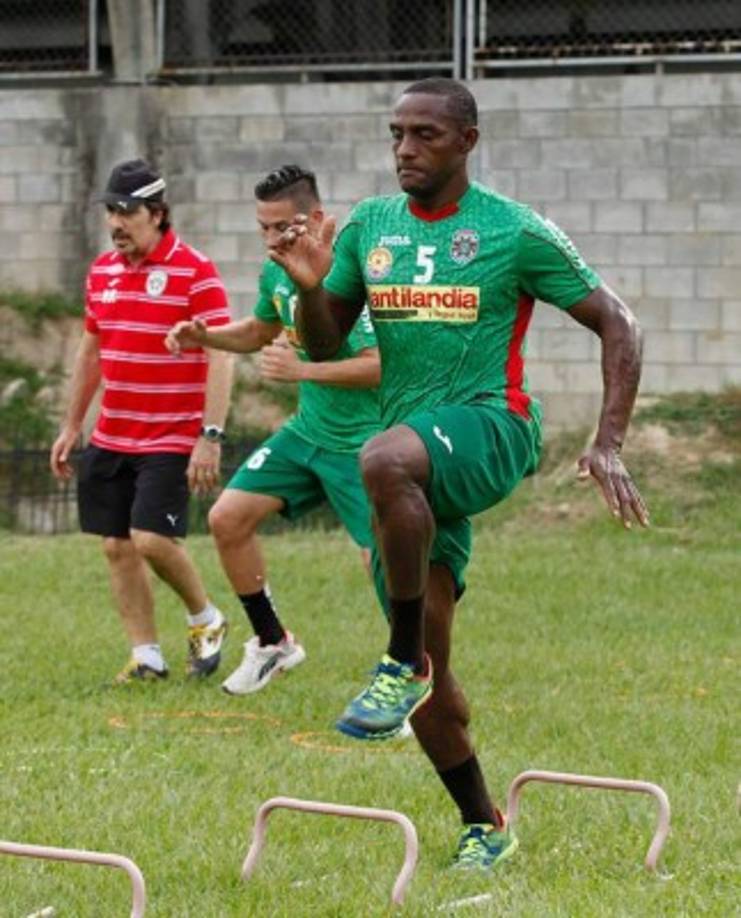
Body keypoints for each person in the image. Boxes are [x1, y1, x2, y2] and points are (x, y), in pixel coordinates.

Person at [268, 78, 649, 870]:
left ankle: (396, 657)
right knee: (432, 690)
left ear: (466, 142)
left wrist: (607, 440)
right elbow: (328, 340)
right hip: (411, 468)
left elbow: (619, 321)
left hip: (490, 425)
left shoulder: (510, 230)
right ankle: (484, 824)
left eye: (425, 135)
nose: (405, 149)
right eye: (396, 134)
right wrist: (309, 288)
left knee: (380, 457)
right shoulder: (371, 225)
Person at [165, 165, 382, 696]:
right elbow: (262, 330)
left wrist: (304, 370)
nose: (270, 239)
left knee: (383, 562)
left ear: (315, 220)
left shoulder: (348, 277)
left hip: (367, 443)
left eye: (281, 227)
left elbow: (380, 365)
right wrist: (205, 337)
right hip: (308, 433)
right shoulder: (277, 271)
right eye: (262, 227)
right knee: (227, 518)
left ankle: (411, 672)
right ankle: (273, 642)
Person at [50, 158, 234, 684]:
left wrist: (210, 436)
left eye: (126, 212)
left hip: (171, 435)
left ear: (157, 213)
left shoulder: (196, 270)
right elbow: (90, 352)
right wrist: (70, 426)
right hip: (113, 433)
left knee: (151, 539)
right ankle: (147, 655)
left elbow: (222, 355)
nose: (115, 223)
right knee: (115, 546)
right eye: (110, 210)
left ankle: (206, 618)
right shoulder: (102, 271)